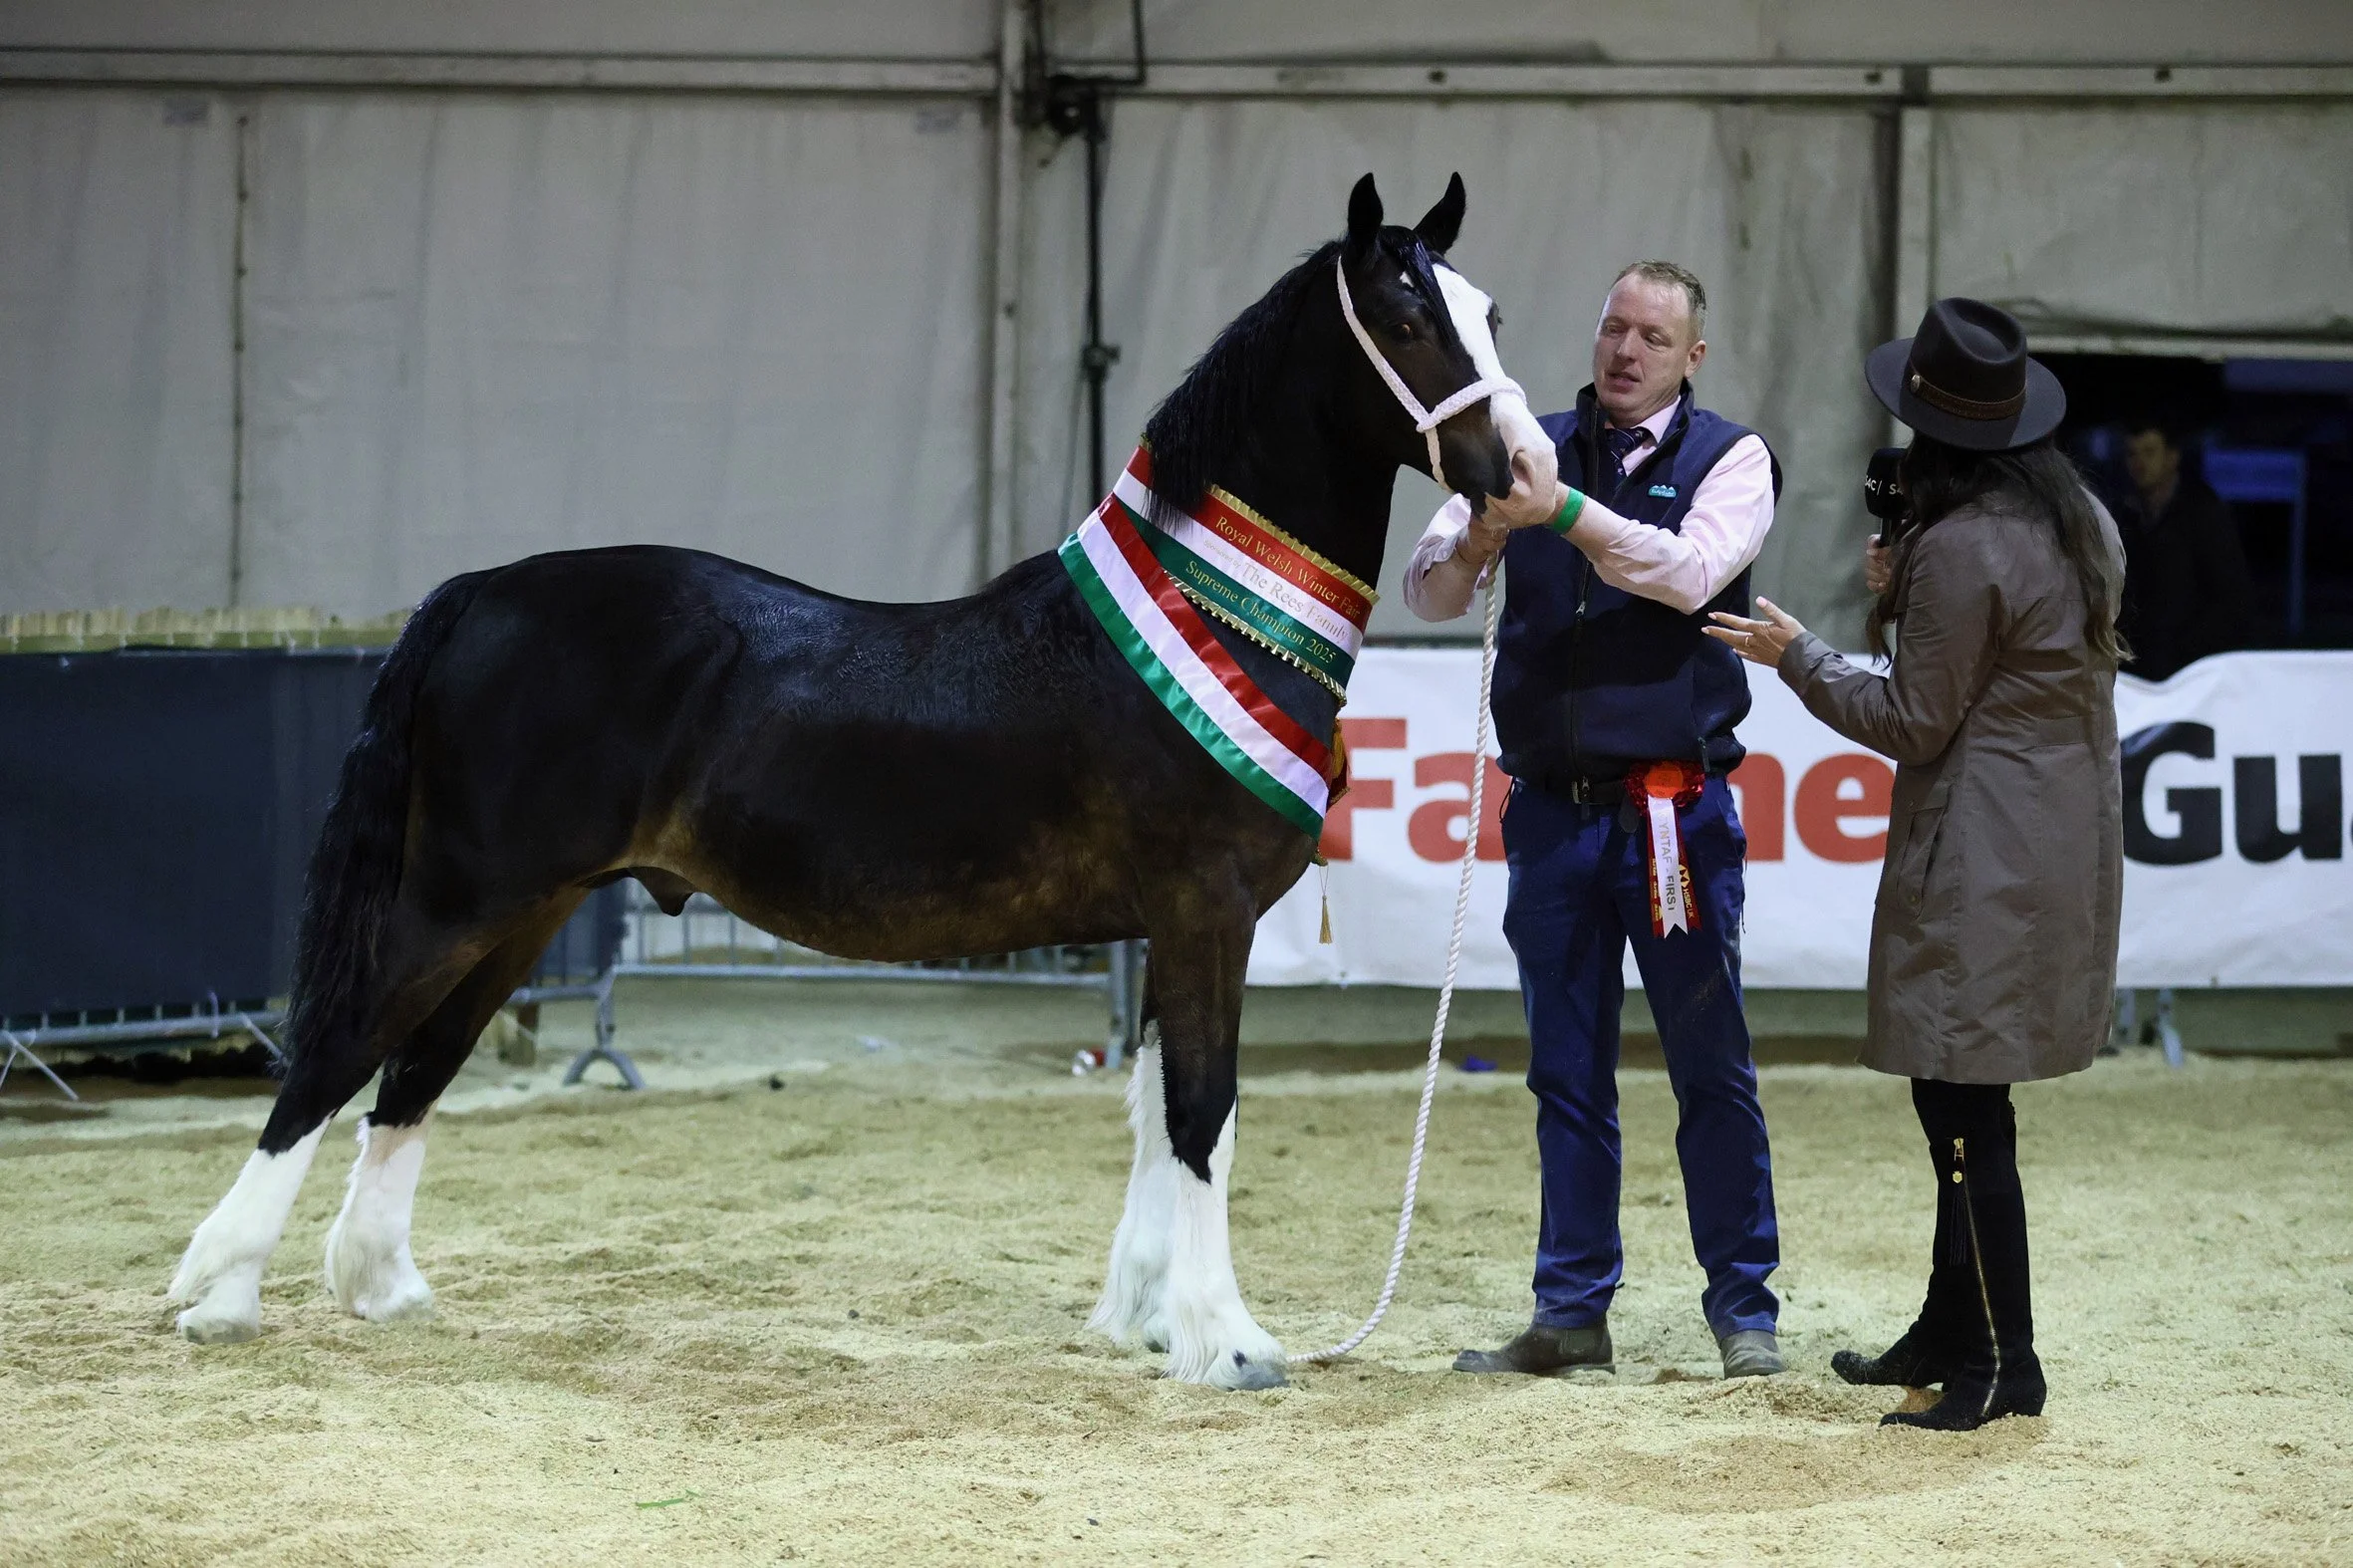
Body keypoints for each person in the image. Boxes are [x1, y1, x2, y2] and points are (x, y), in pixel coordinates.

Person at [1706, 297, 2126, 1431]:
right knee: (1962, 1095)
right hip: (2058, 833)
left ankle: (2004, 1364)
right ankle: (1954, 1329)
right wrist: (1903, 594)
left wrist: (1799, 654)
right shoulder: (2079, 519)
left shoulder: (1960, 543)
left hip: (1980, 843)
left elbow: (1911, 717)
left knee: (1957, 1101)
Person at [1406, 259, 1785, 1381]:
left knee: (1708, 1067)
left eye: (1652, 338)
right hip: (1552, 816)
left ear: (1691, 358)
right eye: (1614, 326)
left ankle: (1743, 1308)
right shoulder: (1517, 443)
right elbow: (1424, 589)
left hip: (1675, 810)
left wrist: (1559, 512)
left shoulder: (1734, 457)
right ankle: (1571, 1311)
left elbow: (1690, 571)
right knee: (1564, 1071)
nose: (1624, 350)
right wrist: (1478, 538)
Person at [2113, 422, 2252, 679]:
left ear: (2172, 457)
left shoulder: (2203, 514)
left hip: (2191, 670)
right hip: (2135, 671)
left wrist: (2188, 650)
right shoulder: (2124, 516)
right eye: (2132, 453)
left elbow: (2230, 598)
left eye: (2149, 452)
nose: (2139, 462)